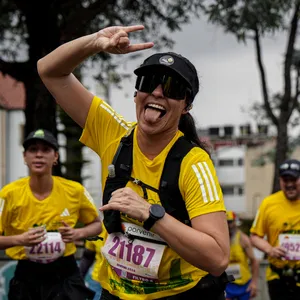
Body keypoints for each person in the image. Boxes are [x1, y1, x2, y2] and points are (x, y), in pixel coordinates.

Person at [37, 25, 231, 300]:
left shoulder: (194, 163)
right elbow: (49, 70)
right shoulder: (113, 132)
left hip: (180, 294)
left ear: (186, 105)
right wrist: (94, 42)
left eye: (173, 88)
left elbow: (218, 257)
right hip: (117, 293)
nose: (158, 92)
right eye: (148, 82)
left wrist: (150, 214)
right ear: (136, 93)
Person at [0, 128, 102, 300]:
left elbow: (97, 224)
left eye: (46, 150)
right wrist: (19, 240)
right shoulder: (9, 194)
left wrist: (78, 233)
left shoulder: (75, 190)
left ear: (56, 157)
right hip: (26, 275)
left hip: (65, 275)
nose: (39, 155)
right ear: (25, 157)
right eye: (33, 150)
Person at [250, 159, 300, 300]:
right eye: (285, 179)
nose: (289, 184)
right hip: (278, 277)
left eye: (293, 179)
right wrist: (270, 250)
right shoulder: (268, 203)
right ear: (280, 180)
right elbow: (254, 236)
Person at [225, 211, 259, 300]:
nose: (228, 226)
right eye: (226, 222)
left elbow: (254, 261)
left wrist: (254, 283)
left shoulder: (243, 239)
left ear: (235, 222)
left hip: (244, 285)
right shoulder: (221, 239)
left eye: (230, 222)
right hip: (227, 285)